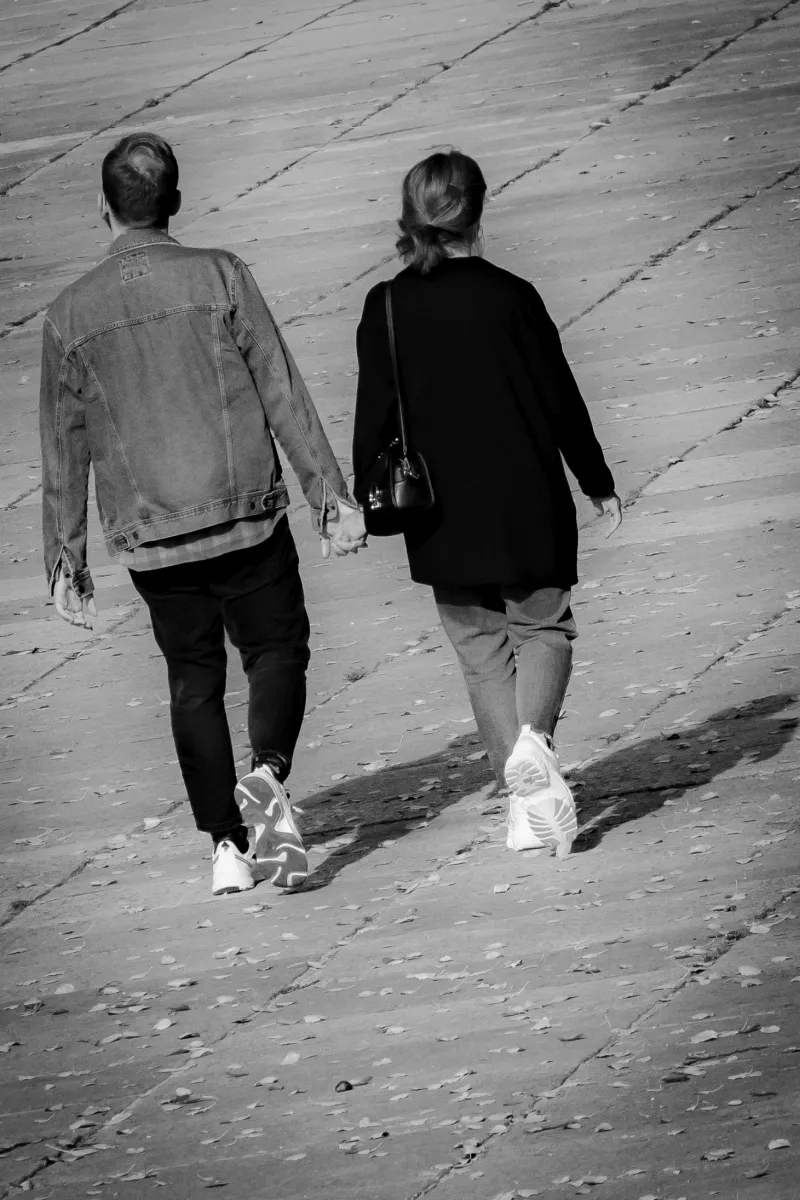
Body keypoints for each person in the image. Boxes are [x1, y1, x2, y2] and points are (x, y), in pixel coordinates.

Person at [40, 132, 366, 897]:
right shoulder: (221, 275)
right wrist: (329, 496)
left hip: (153, 540)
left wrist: (67, 561)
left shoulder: (68, 315)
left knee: (192, 682)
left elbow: (64, 444)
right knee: (277, 650)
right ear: (175, 202)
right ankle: (269, 772)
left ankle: (226, 847)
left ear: (104, 210)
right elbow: (280, 387)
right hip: (245, 515)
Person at [352, 150, 621, 860]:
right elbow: (559, 397)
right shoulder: (512, 296)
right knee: (545, 628)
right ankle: (534, 743)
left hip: (438, 511)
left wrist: (361, 498)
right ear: (479, 209)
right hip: (523, 496)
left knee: (480, 655)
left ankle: (522, 804)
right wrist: (595, 479)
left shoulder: (385, 306)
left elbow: (372, 419)